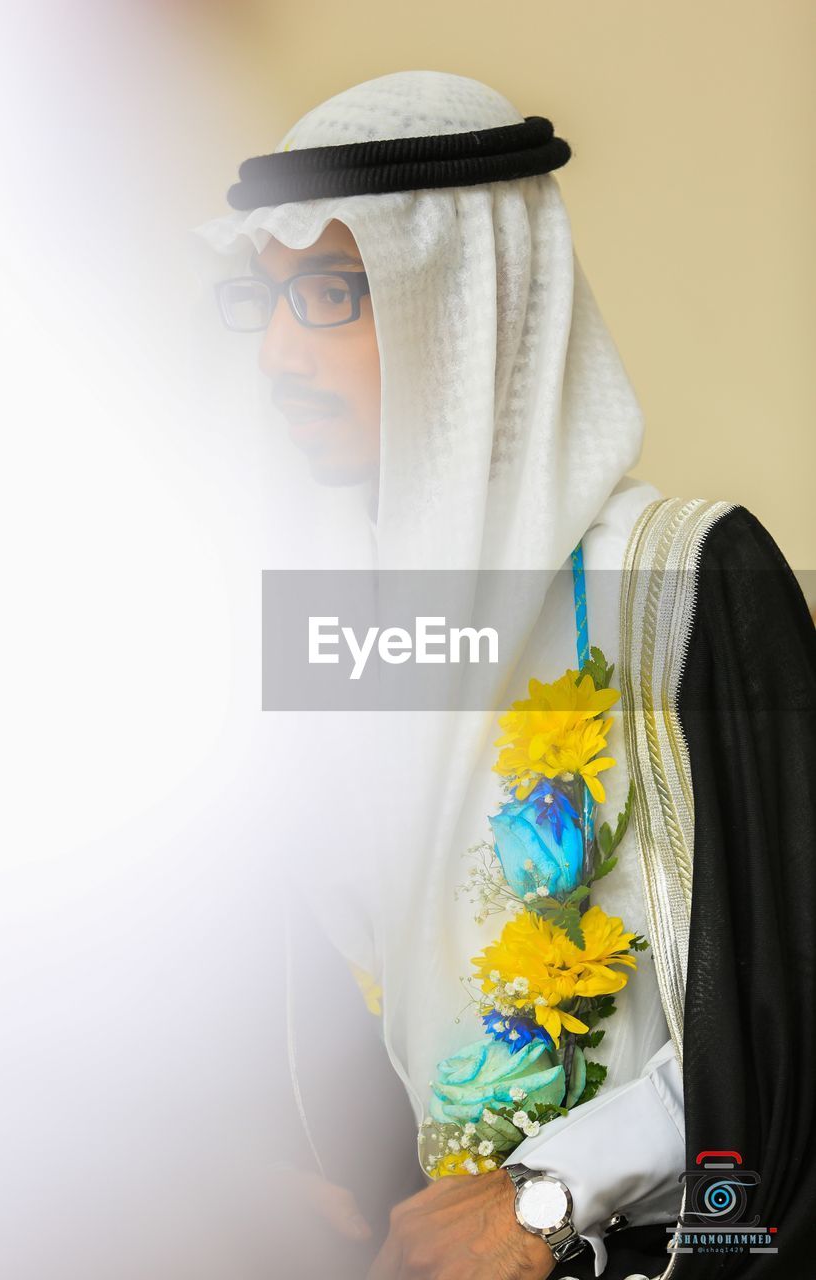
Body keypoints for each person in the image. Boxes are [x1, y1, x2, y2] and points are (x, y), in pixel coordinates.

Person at [192, 70, 816, 1279]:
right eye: (265, 300)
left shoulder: (683, 580)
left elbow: (789, 998)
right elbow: (301, 982)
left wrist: (548, 1193)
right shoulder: (307, 619)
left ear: (475, 305)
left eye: (332, 293)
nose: (277, 351)